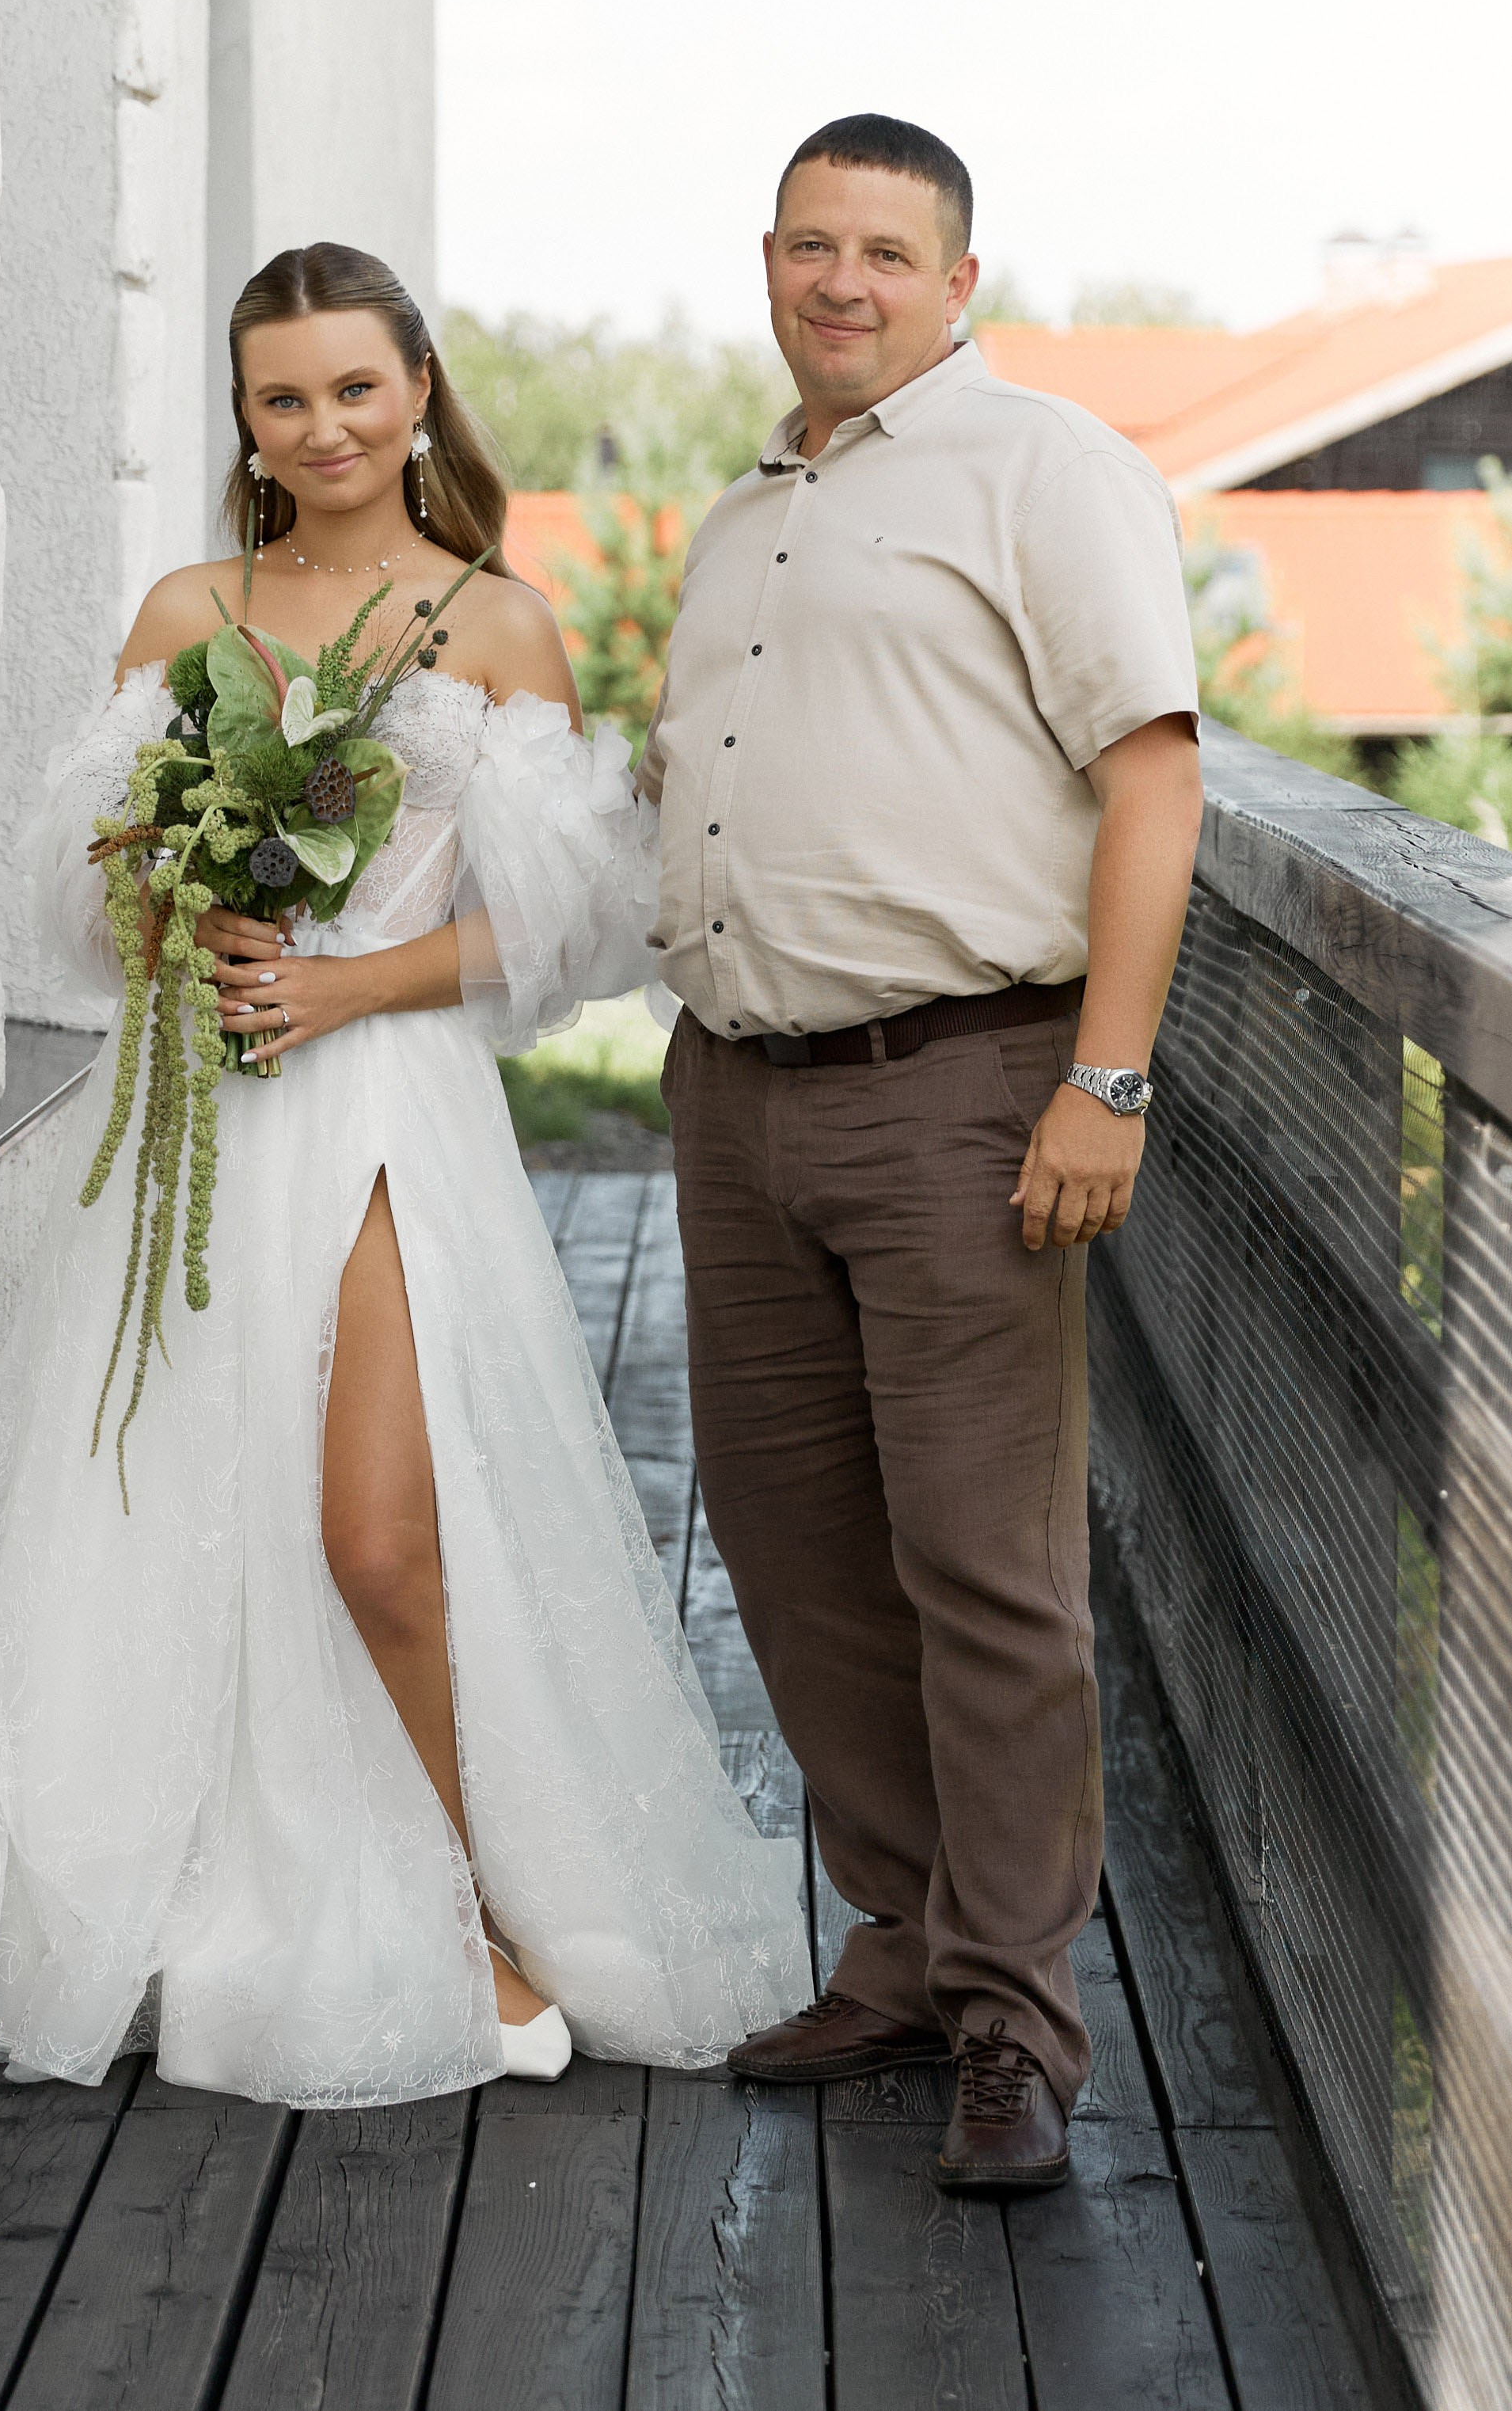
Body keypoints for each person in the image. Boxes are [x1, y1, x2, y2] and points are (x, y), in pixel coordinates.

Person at [0, 242, 811, 2105]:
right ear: (243, 419)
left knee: (375, 1533)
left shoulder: (496, 624)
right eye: (280, 397)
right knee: (203, 1507)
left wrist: (344, 982)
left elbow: (553, 934)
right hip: (216, 1111)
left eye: (354, 387)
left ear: (418, 391)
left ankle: (491, 1906)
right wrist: (175, 908)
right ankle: (306, 1878)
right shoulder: (187, 611)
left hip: (394, 1104)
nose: (321, 427)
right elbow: (95, 900)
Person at [640, 116, 1203, 2192]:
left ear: (959, 277)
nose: (841, 279)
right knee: (794, 1556)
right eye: (808, 244)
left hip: (963, 1091)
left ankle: (1018, 2020)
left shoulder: (1044, 470)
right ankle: (898, 1946)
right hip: (738, 1093)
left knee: (987, 1573)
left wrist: (1107, 1079)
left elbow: (1152, 778)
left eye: (885, 248)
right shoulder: (746, 511)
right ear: (768, 261)